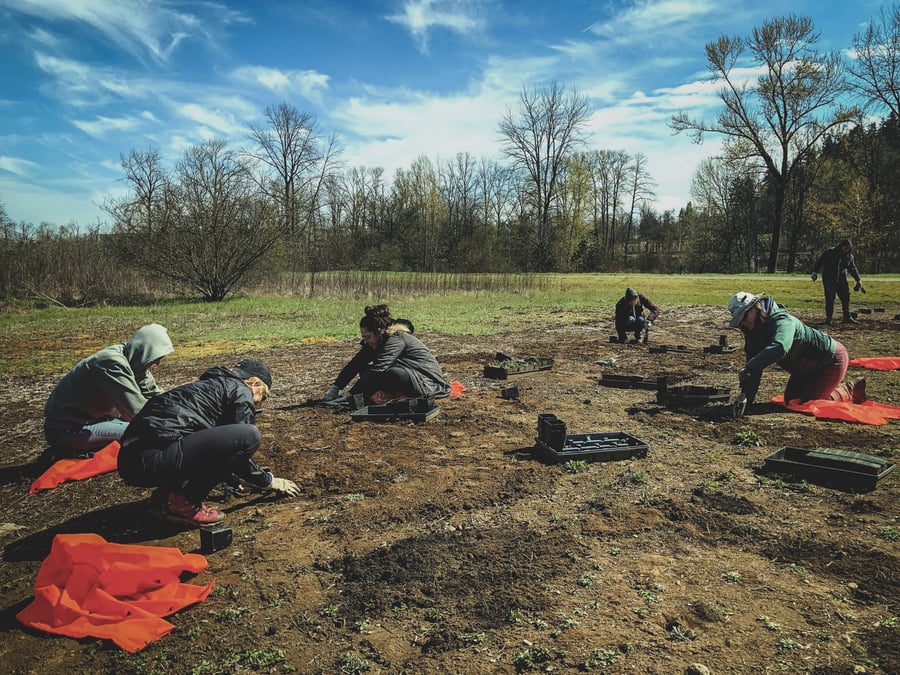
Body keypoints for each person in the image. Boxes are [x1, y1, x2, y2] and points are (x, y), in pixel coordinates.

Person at [117, 358, 300, 527]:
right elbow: (236, 449)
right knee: (249, 435)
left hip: (131, 462)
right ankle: (185, 502)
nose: (259, 402)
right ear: (254, 383)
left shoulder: (207, 389)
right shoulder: (241, 391)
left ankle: (165, 498)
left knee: (200, 441)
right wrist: (267, 481)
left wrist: (231, 475)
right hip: (153, 459)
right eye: (263, 396)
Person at [726, 291, 866, 419]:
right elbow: (754, 365)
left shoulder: (782, 321)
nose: (743, 322)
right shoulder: (753, 331)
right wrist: (747, 398)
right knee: (791, 401)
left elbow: (780, 347)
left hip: (830, 361)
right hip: (804, 368)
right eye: (739, 320)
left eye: (744, 316)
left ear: (755, 308)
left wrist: (749, 367)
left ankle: (850, 389)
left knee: (808, 404)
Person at [44, 323, 174, 457]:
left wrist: (178, 408)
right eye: (157, 357)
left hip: (97, 419)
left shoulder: (134, 359)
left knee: (152, 426)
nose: (157, 363)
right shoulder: (112, 364)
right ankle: (68, 449)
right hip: (67, 430)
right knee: (148, 434)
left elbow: (155, 394)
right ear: (145, 350)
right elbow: (136, 412)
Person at [322, 304, 450, 405]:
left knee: (392, 373)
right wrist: (334, 390)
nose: (366, 341)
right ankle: (383, 394)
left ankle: (387, 395)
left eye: (367, 337)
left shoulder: (396, 338)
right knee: (365, 369)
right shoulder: (377, 340)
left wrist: (350, 395)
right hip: (411, 377)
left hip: (427, 382)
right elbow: (356, 363)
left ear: (378, 332)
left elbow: (379, 369)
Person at [811, 239, 866, 324]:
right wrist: (815, 272)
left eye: (848, 248)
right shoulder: (830, 252)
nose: (846, 250)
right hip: (829, 279)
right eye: (845, 247)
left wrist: (858, 280)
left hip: (842, 279)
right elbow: (820, 262)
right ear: (841, 246)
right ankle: (828, 319)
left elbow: (852, 268)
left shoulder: (849, 256)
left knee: (846, 298)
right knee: (830, 298)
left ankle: (847, 317)